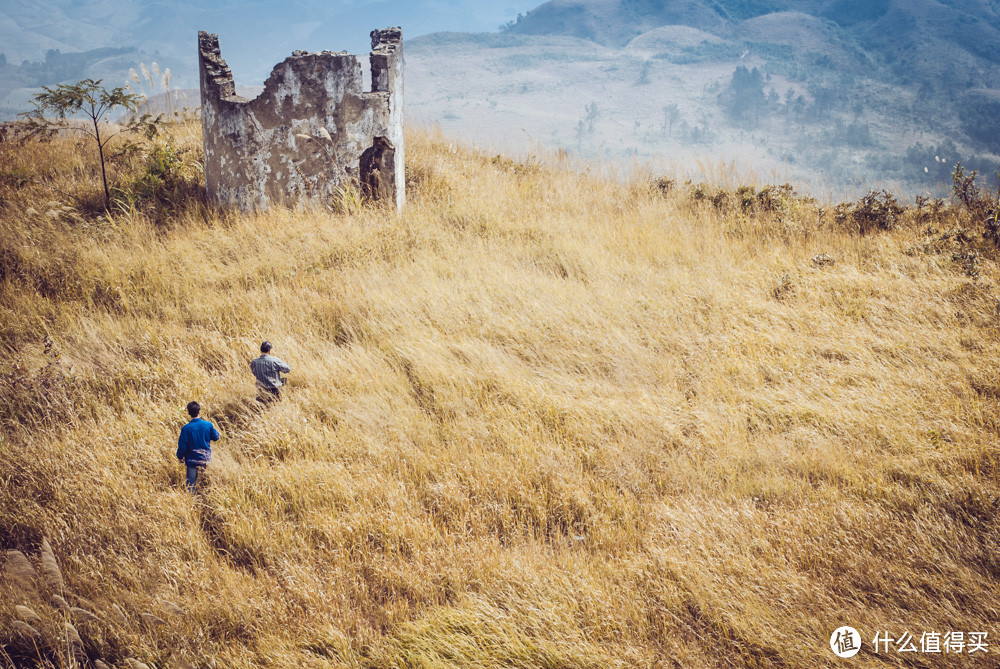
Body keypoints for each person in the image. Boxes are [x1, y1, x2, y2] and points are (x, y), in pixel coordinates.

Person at [176, 401, 220, 493]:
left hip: (191, 460)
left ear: (188, 413)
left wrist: (180, 457)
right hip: (205, 459)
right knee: (206, 483)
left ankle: (191, 502)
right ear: (199, 412)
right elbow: (216, 437)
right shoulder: (208, 425)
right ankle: (206, 498)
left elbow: (182, 446)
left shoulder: (186, 428)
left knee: (191, 484)